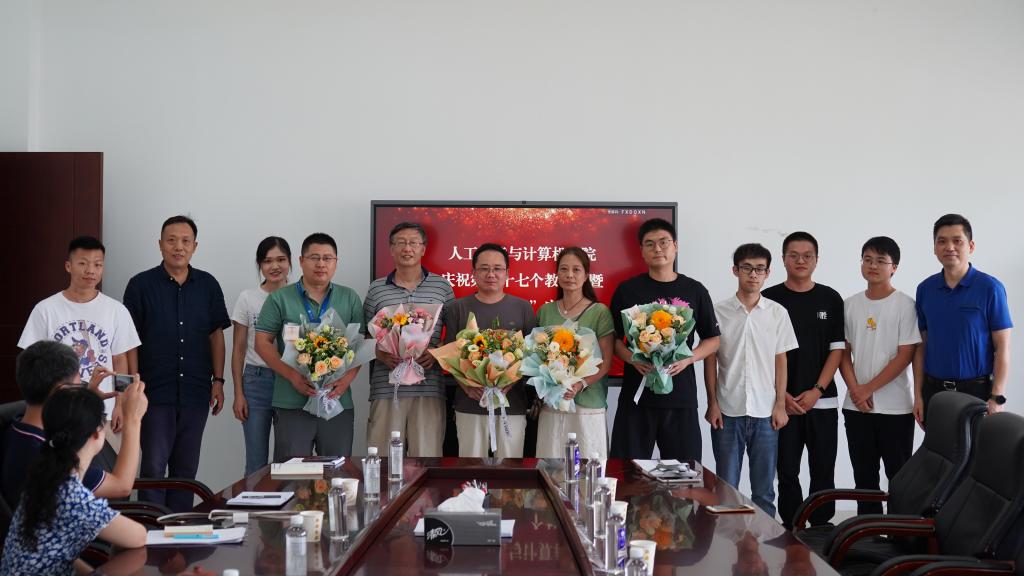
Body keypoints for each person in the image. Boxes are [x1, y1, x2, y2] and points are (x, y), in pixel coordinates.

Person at [123, 215, 230, 512]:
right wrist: (133, 384)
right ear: (160, 245)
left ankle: (179, 528)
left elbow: (216, 335)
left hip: (196, 391)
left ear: (195, 246)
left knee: (186, 471)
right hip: (153, 391)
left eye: (185, 241)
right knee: (154, 468)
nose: (178, 247)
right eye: (171, 240)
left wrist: (219, 381)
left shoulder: (208, 285)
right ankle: (150, 529)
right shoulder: (140, 285)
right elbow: (130, 340)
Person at [1, 387, 147, 575]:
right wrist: (133, 419)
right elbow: (139, 536)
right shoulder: (72, 497)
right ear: (96, 433)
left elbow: (56, 553)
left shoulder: (43, 477)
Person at [609, 218, 720, 461]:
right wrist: (632, 358)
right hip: (637, 398)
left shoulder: (695, 290)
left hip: (681, 397)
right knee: (627, 471)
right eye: (650, 244)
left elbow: (713, 340)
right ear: (641, 251)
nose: (657, 249)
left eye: (663, 242)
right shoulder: (628, 290)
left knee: (685, 473)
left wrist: (688, 359)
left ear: (675, 246)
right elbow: (614, 340)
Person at [18, 235, 140, 443]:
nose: (90, 270)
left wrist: (121, 404)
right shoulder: (45, 309)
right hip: (58, 412)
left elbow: (120, 361)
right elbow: (31, 363)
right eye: (83, 263)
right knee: (59, 463)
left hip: (105, 412)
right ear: (68, 266)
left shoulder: (116, 311)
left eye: (97, 264)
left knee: (108, 463)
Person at [705, 243, 797, 518]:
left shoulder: (777, 313)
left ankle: (765, 543)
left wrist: (780, 405)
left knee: (764, 491)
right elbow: (710, 360)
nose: (753, 274)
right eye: (747, 268)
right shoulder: (718, 312)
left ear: (767, 273)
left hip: (765, 412)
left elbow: (781, 361)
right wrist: (712, 403)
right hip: (727, 410)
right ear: (735, 270)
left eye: (759, 269)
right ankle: (726, 541)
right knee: (726, 489)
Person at [762, 231, 845, 529]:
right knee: (786, 470)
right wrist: (781, 395)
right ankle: (792, 527)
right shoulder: (768, 299)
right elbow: (763, 354)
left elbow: (837, 351)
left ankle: (821, 528)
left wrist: (817, 390)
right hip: (782, 404)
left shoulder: (830, 298)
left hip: (822, 401)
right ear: (783, 259)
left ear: (816, 260)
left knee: (823, 469)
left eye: (807, 256)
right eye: (794, 255)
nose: (800, 261)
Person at [255, 232, 364, 459]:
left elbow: (360, 346)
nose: (321, 264)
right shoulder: (279, 298)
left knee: (337, 471)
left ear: (336, 262)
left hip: (337, 402)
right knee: (292, 473)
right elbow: (262, 342)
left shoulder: (350, 298)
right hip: (291, 401)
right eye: (314, 257)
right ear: (301, 261)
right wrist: (292, 376)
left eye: (327, 258)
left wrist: (346, 381)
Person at [2, 341, 147, 507]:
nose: (80, 392)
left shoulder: (17, 428)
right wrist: (133, 419)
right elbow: (121, 487)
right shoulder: (48, 459)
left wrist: (89, 396)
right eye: (78, 387)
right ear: (63, 391)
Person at [839, 236, 920, 516]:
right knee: (864, 477)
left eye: (881, 261)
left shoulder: (905, 305)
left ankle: (901, 534)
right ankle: (867, 534)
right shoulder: (849, 305)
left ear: (894, 267)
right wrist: (856, 391)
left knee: (899, 477)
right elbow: (843, 353)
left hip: (896, 408)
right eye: (867, 259)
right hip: (856, 408)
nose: (872, 265)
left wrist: (867, 389)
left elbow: (905, 355)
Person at [362, 222, 454, 457]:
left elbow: (455, 336)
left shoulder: (442, 286)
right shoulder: (376, 289)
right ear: (391, 249)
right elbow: (365, 335)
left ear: (423, 248)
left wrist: (435, 353)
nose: (407, 248)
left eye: (413, 242)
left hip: (429, 387)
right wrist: (381, 354)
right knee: (382, 459)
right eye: (401, 242)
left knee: (427, 459)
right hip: (386, 387)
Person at [440, 243, 536, 457]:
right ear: (473, 272)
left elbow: (531, 357)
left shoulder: (523, 307)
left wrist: (510, 383)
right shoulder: (457, 308)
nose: (491, 274)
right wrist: (467, 387)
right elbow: (449, 355)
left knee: (510, 470)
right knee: (472, 468)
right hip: (469, 404)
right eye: (484, 268)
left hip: (511, 405)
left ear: (507, 273)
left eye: (497, 268)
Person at [915, 213, 1012, 420]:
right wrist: (919, 396)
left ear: (971, 246)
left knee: (977, 443)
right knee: (936, 443)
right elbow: (922, 346)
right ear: (934, 248)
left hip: (977, 392)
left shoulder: (990, 288)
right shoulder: (925, 289)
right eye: (942, 241)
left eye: (957, 241)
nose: (949, 247)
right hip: (934, 392)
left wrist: (997, 397)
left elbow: (1003, 347)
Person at [534, 247, 615, 460]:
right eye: (564, 269)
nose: (569, 275)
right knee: (551, 466)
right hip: (553, 404)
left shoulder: (599, 312)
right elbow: (536, 357)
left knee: (589, 467)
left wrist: (579, 384)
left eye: (576, 270)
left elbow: (605, 362)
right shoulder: (545, 311)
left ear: (586, 275)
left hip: (588, 405)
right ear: (557, 274)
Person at [231, 236, 292, 476]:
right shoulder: (248, 298)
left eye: (281, 260)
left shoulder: (299, 296)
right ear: (260, 265)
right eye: (267, 261)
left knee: (288, 461)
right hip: (256, 381)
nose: (274, 266)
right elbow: (238, 350)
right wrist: (238, 394)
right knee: (256, 462)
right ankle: (254, 501)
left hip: (291, 381)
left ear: (290, 262)